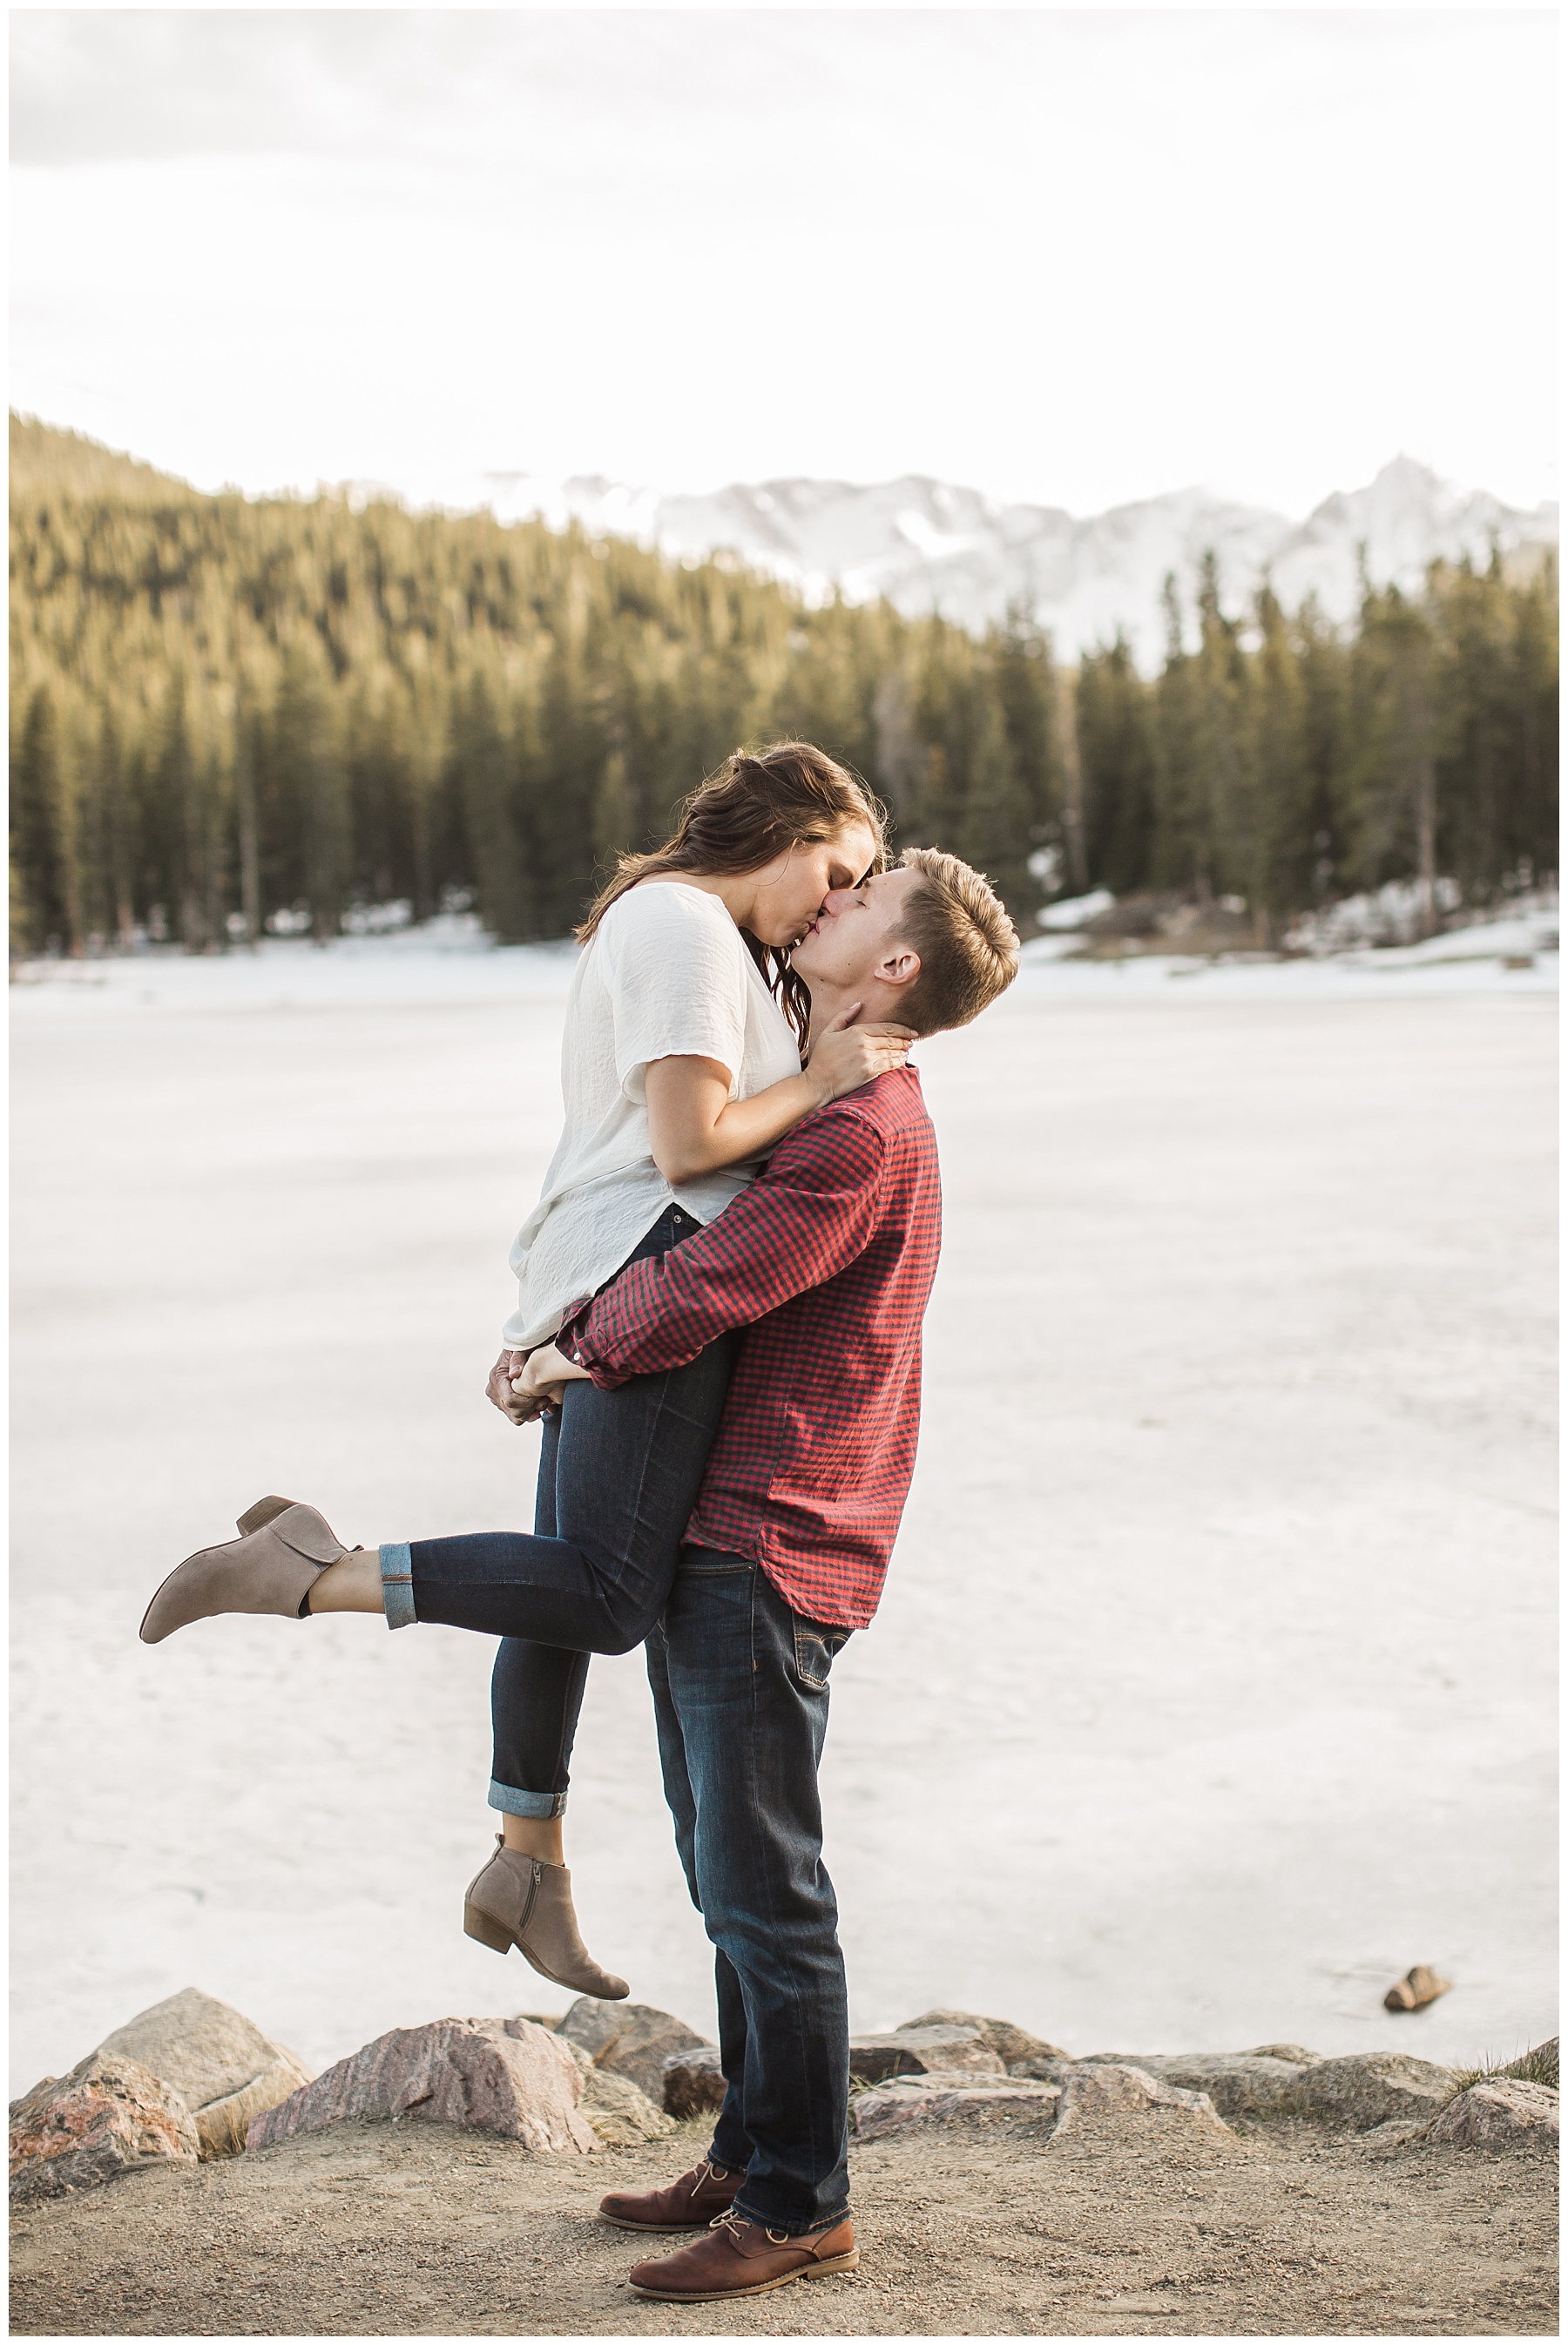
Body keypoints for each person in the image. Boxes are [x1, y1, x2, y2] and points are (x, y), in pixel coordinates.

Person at [139, 743, 912, 2000]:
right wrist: (824, 1081)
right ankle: (311, 1574)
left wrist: (559, 1307)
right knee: (604, 1593)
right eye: (842, 871)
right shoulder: (682, 927)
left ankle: (527, 1863)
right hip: (654, 1258)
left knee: (559, 1588)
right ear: (794, 824)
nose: (837, 902)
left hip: (611, 1264)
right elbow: (685, 1145)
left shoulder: (702, 936)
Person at [517, 846, 1021, 2303]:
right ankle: (751, 2149)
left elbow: (714, 1280)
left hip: (770, 1539)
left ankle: (802, 2201)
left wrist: (570, 1345)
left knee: (764, 1887)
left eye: (861, 899)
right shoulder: (846, 1101)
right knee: (720, 1863)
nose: (829, 902)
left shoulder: (863, 1128)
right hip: (740, 1533)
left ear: (897, 968)